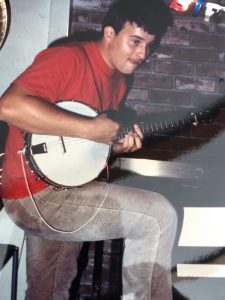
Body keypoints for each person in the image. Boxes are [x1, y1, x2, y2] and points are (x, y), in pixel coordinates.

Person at [0, 0, 177, 299]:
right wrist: (92, 128)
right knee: (158, 217)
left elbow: (89, 145)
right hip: (34, 195)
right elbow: (9, 107)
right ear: (109, 33)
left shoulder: (120, 82)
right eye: (135, 41)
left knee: (51, 289)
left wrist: (116, 144)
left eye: (149, 45)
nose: (142, 54)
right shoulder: (67, 58)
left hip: (68, 187)